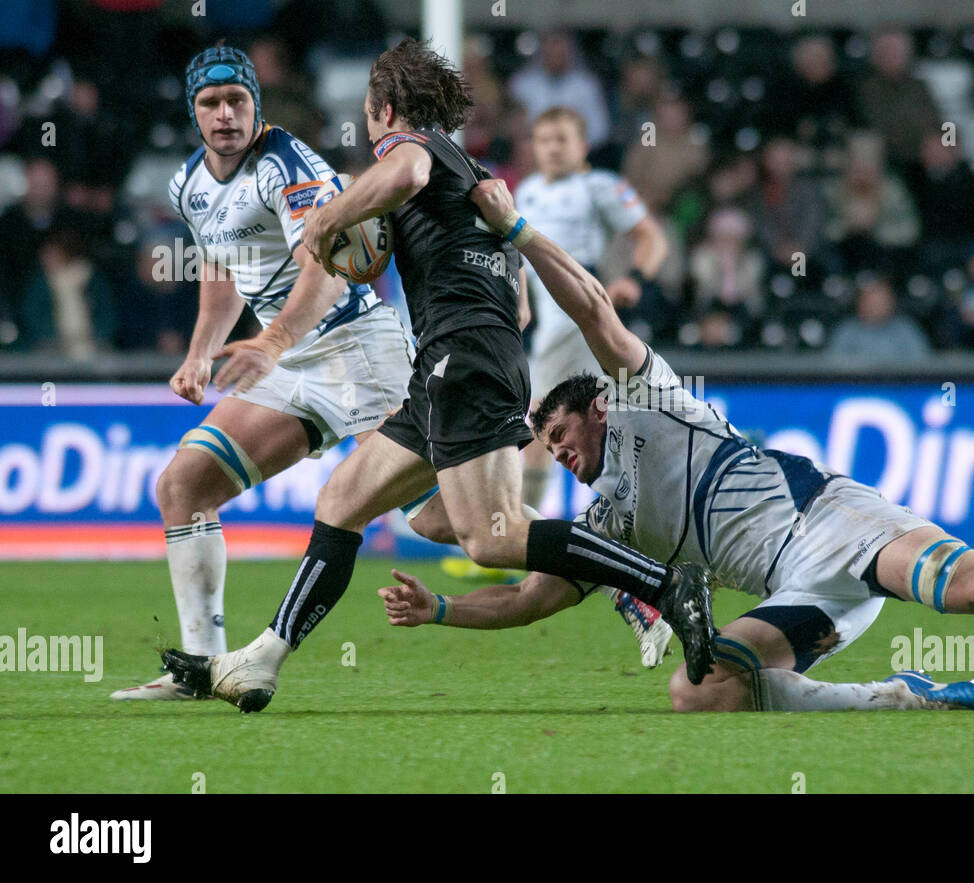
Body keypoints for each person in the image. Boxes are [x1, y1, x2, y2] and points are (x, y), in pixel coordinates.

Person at [374, 174, 974, 713]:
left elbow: (596, 310)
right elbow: (519, 588)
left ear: (597, 407)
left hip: (830, 522)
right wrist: (442, 600)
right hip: (798, 591)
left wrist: (519, 234)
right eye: (548, 447)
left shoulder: (655, 400)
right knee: (698, 688)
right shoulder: (603, 523)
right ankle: (901, 697)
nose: (557, 452)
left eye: (560, 432)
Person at [161, 39, 715, 713]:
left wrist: (332, 218)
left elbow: (405, 176)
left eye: (370, 115)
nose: (368, 130)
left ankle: (661, 581)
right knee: (346, 504)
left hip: (456, 355)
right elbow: (515, 292)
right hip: (452, 359)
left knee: (490, 534)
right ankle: (260, 661)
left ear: (386, 109)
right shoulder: (470, 166)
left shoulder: (409, 149)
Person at [110, 45, 417, 701]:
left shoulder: (288, 165)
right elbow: (223, 271)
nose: (225, 115)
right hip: (288, 358)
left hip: (358, 350)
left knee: (451, 522)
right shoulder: (188, 183)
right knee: (183, 484)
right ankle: (201, 667)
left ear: (256, 103)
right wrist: (199, 353)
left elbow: (330, 267)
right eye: (211, 104)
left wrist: (271, 342)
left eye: (237, 101)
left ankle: (623, 582)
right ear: (193, 113)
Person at [513, 104, 673, 665]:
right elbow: (518, 257)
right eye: (542, 138)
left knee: (540, 428)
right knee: (559, 431)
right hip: (551, 323)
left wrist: (635, 278)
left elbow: (651, 237)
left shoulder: (600, 185)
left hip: (579, 316)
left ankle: (522, 531)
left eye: (562, 138)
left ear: (582, 144)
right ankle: (632, 553)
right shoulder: (527, 189)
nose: (551, 148)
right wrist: (522, 300)